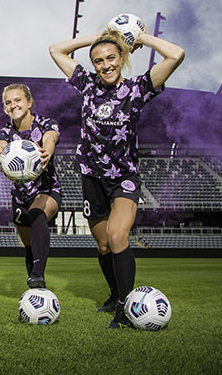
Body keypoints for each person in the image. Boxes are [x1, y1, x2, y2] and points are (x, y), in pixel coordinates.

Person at [49, 27, 184, 328]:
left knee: (117, 236)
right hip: (92, 177)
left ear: (122, 58)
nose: (105, 65)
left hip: (124, 178)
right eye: (98, 60)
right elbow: (56, 50)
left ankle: (125, 307)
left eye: (111, 57)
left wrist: (138, 38)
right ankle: (113, 294)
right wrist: (97, 39)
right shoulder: (86, 84)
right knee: (103, 246)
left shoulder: (139, 88)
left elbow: (176, 55)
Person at [0, 84, 61, 289]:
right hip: (20, 197)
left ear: (29, 102)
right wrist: (1, 154)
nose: (13, 105)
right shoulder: (4, 133)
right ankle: (35, 286)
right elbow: (0, 145)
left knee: (36, 213)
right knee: (29, 245)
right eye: (8, 102)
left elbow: (51, 137)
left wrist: (46, 150)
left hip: (47, 190)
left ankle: (38, 276)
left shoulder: (46, 123)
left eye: (18, 100)